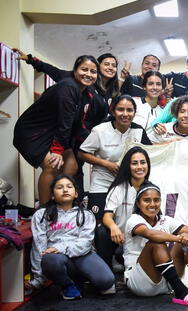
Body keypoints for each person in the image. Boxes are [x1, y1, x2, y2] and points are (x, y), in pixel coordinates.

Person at [13, 55, 98, 204]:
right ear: (75, 70)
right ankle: (45, 212)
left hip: (52, 132)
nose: (88, 74)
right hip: (32, 132)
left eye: (93, 71)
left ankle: (58, 205)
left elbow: (77, 124)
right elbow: (65, 122)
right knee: (52, 166)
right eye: (84, 69)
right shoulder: (68, 87)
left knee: (71, 164)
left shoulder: (86, 92)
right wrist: (57, 151)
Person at [124, 182, 188, 305]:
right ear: (138, 203)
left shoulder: (165, 220)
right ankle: (180, 292)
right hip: (140, 282)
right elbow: (151, 234)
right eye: (147, 200)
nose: (152, 204)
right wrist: (181, 238)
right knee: (156, 242)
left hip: (166, 280)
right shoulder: (134, 219)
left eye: (156, 200)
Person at [28, 174, 114, 299]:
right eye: (59, 187)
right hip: (56, 258)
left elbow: (85, 244)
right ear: (52, 195)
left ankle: (78, 279)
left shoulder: (86, 214)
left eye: (69, 187)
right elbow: (39, 246)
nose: (65, 190)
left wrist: (61, 247)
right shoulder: (41, 215)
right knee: (49, 259)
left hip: (82, 254)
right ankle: (67, 284)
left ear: (76, 194)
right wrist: (38, 279)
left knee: (106, 281)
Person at [78, 94, 151, 222]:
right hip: (102, 184)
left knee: (127, 224)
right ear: (113, 111)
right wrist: (106, 164)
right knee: (100, 227)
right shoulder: (99, 130)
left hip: (128, 185)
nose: (125, 114)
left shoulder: (138, 131)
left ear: (134, 113)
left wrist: (173, 143)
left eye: (129, 110)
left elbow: (151, 151)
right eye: (120, 109)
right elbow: (82, 153)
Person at [95, 147, 150, 272]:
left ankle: (122, 260)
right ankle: (107, 273)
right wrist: (114, 227)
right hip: (119, 238)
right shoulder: (119, 188)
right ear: (127, 166)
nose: (139, 167)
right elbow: (107, 216)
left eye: (143, 162)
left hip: (140, 238)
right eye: (134, 163)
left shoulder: (152, 189)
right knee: (102, 232)